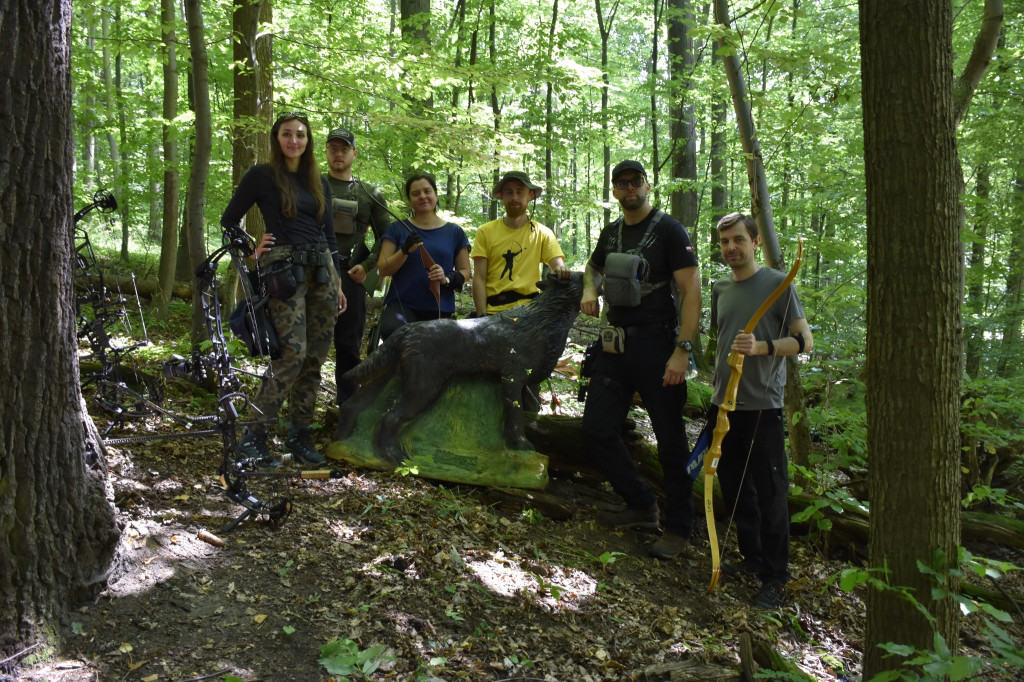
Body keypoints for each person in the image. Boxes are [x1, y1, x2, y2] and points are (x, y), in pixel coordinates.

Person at [580, 160, 701, 560]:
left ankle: (680, 528)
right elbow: (593, 267)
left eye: (635, 182)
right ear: (614, 190)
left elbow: (691, 292)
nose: (628, 188)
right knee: (596, 429)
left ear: (647, 186)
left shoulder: (669, 229)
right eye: (621, 183)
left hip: (658, 347)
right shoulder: (611, 232)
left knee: (670, 441)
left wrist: (682, 351)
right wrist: (589, 289)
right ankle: (641, 504)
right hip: (615, 347)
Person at [221, 112, 345, 467]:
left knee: (314, 359)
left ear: (308, 141)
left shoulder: (318, 180)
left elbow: (331, 237)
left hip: (321, 272)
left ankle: (299, 436)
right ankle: (254, 436)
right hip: (284, 273)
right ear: (277, 139)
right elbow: (229, 220)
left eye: (301, 135)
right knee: (291, 354)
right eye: (287, 134)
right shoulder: (262, 175)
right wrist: (251, 251)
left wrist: (336, 282)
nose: (294, 140)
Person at [708, 211, 813, 609]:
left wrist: (763, 347)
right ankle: (752, 558)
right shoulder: (720, 287)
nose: (731, 248)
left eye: (738, 240)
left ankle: (775, 576)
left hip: (762, 407)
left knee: (771, 493)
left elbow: (804, 341)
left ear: (754, 242)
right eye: (724, 242)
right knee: (736, 489)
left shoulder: (777, 283)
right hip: (724, 405)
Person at [322, 127, 390, 405]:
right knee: (306, 343)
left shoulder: (369, 193)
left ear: (354, 153)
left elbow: (386, 236)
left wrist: (367, 265)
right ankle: (298, 416)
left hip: (352, 276)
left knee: (349, 345)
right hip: (313, 273)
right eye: (333, 148)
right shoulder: (313, 186)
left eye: (344, 149)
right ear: (326, 152)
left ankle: (348, 410)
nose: (339, 154)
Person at [376, 172, 471, 340]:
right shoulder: (396, 228)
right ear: (409, 200)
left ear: (435, 194)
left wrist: (447, 279)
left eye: (427, 191)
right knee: (394, 334)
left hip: (441, 308)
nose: (422, 196)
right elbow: (383, 269)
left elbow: (465, 271)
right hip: (402, 306)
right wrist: (405, 250)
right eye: (415, 193)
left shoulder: (455, 232)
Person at [472, 171, 569, 316]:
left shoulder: (543, 233)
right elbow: (479, 278)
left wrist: (562, 270)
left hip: (529, 314)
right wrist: (481, 316)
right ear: (502, 196)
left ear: (530, 196)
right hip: (494, 313)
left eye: (520, 192)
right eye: (509, 192)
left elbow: (558, 266)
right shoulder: (485, 232)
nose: (515, 197)